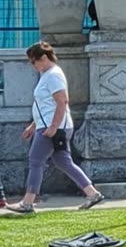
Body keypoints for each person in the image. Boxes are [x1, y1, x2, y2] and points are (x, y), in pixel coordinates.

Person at [7, 42, 105, 214]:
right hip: (51, 125)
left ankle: (28, 202)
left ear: (43, 58)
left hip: (54, 128)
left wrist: (52, 127)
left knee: (35, 160)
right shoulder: (48, 75)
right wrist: (33, 125)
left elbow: (62, 101)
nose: (33, 66)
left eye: (33, 62)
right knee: (63, 162)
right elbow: (46, 106)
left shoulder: (53, 75)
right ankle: (92, 193)